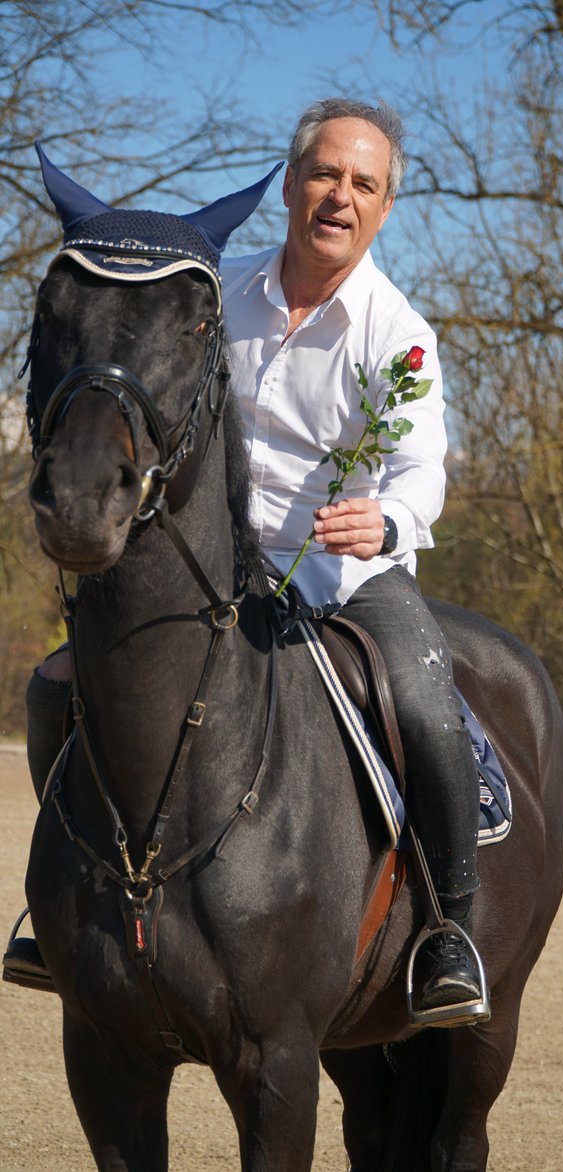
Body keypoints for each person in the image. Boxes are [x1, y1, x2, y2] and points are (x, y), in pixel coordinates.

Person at [4, 97, 484, 1017]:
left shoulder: (400, 333)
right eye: (325, 174)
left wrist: (385, 522)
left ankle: (448, 932)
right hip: (205, 566)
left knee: (427, 701)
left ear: (385, 206)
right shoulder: (213, 297)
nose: (340, 195)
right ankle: (55, 905)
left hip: (343, 575)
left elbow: (425, 467)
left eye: (363, 183)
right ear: (295, 185)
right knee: (54, 688)